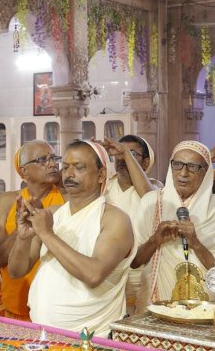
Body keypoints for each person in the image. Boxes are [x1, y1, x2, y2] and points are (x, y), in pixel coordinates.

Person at [9, 140, 133, 337]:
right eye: (65, 167)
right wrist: (22, 239)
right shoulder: (54, 213)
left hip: (92, 338)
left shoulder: (115, 219)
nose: (69, 174)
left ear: (101, 175)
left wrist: (48, 234)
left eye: (79, 167)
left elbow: (94, 274)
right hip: (42, 333)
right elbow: (16, 271)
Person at [132, 141, 215, 306]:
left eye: (193, 166)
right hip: (156, 306)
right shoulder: (151, 202)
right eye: (178, 164)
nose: (183, 173)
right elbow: (135, 261)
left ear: (206, 171)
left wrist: (195, 242)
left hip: (205, 309)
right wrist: (155, 240)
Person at [0, 140, 64, 321]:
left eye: (54, 158)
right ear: (24, 171)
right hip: (14, 304)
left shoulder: (66, 200)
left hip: (52, 306)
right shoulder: (8, 200)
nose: (52, 164)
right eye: (42, 159)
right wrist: (22, 227)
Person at [98, 135, 157, 313]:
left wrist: (124, 152)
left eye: (132, 153)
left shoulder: (155, 189)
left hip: (140, 279)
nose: (123, 159)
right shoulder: (104, 187)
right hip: (107, 277)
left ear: (146, 162)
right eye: (119, 153)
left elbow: (147, 196)